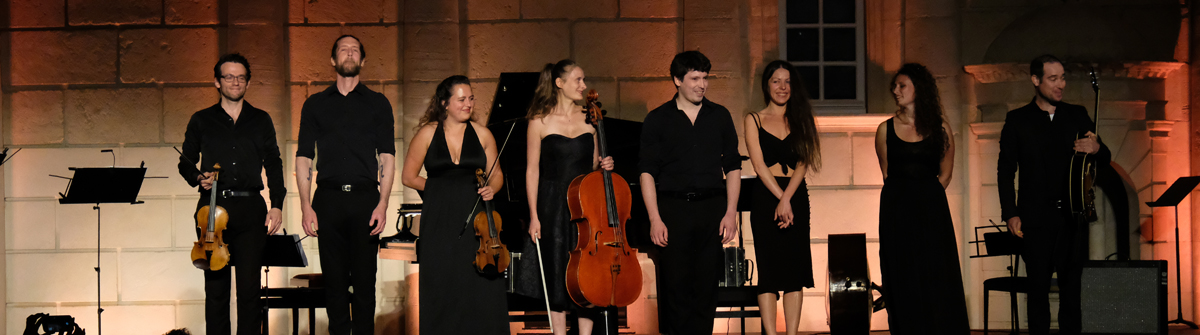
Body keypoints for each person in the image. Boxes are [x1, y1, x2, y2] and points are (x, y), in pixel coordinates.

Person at [998, 54, 1109, 335]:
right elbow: (1005, 170)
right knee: (1037, 293)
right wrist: (1010, 212)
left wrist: (1096, 148)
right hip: (1035, 220)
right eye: (1053, 78)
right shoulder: (1017, 120)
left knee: (1072, 293)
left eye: (1063, 78)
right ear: (1036, 80)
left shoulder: (1077, 114)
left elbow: (1104, 156)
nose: (1061, 84)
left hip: (1073, 217)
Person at [295, 35, 395, 335]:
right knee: (334, 285)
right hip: (328, 200)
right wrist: (305, 206)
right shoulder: (315, 104)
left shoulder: (378, 103)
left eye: (354, 50)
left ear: (362, 60)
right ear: (333, 59)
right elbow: (304, 157)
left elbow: (387, 156)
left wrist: (383, 203)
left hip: (365, 200)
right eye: (343, 49)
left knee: (365, 283)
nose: (349, 54)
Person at [178, 53, 285, 335]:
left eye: (241, 77)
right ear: (217, 82)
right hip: (212, 210)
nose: (235, 82)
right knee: (216, 291)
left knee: (250, 291)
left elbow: (274, 163)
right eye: (229, 77)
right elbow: (185, 162)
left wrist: (277, 204)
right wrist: (197, 177)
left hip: (251, 209)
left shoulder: (261, 119)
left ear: (247, 82)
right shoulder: (201, 120)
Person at [639, 50, 741, 335]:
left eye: (705, 78)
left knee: (706, 287)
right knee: (675, 288)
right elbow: (646, 172)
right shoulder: (658, 119)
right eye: (695, 78)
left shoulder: (719, 116)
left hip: (711, 209)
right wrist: (654, 218)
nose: (702, 85)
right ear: (677, 80)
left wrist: (731, 212)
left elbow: (733, 166)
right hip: (674, 210)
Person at [512, 59, 615, 335]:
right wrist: (533, 216)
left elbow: (593, 166)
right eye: (578, 80)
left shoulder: (591, 119)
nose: (583, 85)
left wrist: (605, 165)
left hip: (585, 204)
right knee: (556, 271)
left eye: (583, 80)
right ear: (559, 83)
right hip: (553, 205)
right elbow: (532, 171)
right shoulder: (539, 120)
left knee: (585, 272)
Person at [401, 75, 509, 334]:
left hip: (477, 221)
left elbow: (496, 175)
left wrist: (492, 188)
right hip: (439, 218)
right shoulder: (427, 133)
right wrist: (440, 191)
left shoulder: (483, 134)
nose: (468, 104)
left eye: (470, 98)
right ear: (445, 103)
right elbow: (408, 177)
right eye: (461, 99)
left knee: (478, 288)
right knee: (443, 284)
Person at [873, 63, 968, 334]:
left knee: (935, 275)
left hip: (930, 211)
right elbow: (887, 173)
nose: (896, 90)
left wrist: (925, 201)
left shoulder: (940, 129)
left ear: (919, 89)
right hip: (896, 211)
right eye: (894, 86)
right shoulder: (885, 129)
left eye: (902, 85)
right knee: (901, 275)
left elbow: (945, 174)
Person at [743, 60, 818, 335]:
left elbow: (803, 163)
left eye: (787, 82)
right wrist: (780, 198)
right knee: (769, 269)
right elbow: (758, 165)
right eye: (776, 81)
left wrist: (787, 199)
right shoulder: (753, 119)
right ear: (767, 85)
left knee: (795, 270)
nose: (782, 87)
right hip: (766, 196)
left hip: (795, 195)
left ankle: (792, 333)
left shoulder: (801, 119)